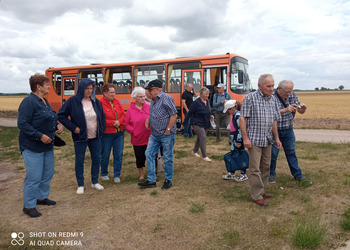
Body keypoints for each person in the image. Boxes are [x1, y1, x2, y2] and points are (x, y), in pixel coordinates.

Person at [18, 73, 64, 217]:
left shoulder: (44, 101)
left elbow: (50, 117)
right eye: (47, 84)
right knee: (34, 177)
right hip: (32, 147)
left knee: (47, 173)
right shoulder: (28, 102)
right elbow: (22, 124)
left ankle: (41, 197)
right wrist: (40, 136)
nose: (49, 86)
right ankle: (29, 206)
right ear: (38, 87)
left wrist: (57, 125)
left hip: (47, 146)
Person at [239, 74, 282, 206]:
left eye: (273, 86)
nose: (271, 88)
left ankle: (262, 189)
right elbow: (242, 119)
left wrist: (276, 138)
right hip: (254, 139)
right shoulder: (250, 98)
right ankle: (256, 195)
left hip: (267, 139)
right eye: (268, 86)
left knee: (266, 166)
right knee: (255, 168)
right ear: (259, 86)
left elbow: (274, 120)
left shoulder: (273, 99)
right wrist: (245, 138)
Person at [58, 78, 106, 194]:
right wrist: (73, 128)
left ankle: (94, 182)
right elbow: (61, 115)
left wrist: (101, 129)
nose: (89, 91)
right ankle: (80, 184)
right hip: (81, 137)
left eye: (91, 89)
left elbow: (102, 116)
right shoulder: (72, 101)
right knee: (80, 160)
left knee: (96, 159)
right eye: (87, 89)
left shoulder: (95, 101)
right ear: (81, 89)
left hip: (96, 136)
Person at [269, 80, 311, 184]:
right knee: (272, 155)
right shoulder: (271, 96)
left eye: (290, 91)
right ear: (279, 89)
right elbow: (269, 113)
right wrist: (285, 110)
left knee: (291, 153)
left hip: (288, 129)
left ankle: (298, 175)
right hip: (274, 130)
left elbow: (299, 110)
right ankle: (270, 175)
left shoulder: (292, 94)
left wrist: (302, 109)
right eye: (287, 91)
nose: (289, 94)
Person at [138, 79, 177, 189]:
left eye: (150, 89)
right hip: (155, 134)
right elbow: (156, 113)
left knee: (167, 158)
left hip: (166, 135)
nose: (148, 92)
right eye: (148, 90)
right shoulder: (154, 100)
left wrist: (168, 129)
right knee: (149, 153)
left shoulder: (166, 98)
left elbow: (173, 115)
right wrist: (149, 119)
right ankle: (151, 180)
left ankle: (168, 180)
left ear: (158, 89)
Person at [125, 86, 152, 181]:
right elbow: (126, 124)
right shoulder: (130, 110)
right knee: (139, 157)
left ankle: (152, 173)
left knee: (151, 156)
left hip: (150, 138)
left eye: (144, 96)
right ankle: (141, 174)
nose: (143, 98)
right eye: (140, 96)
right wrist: (133, 131)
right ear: (135, 98)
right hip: (137, 138)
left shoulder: (149, 107)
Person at [100, 83, 125, 183]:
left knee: (118, 154)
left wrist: (120, 121)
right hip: (107, 134)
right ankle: (104, 173)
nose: (113, 94)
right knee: (105, 154)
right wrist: (112, 123)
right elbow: (100, 119)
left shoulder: (117, 102)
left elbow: (123, 114)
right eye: (111, 92)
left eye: (114, 92)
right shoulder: (100, 103)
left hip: (119, 133)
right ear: (104, 93)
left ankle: (117, 175)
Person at [181, 87, 214, 162]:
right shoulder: (196, 103)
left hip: (205, 122)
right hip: (196, 123)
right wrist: (184, 123)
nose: (207, 96)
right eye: (206, 94)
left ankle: (194, 151)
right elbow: (189, 113)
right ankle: (204, 156)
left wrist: (211, 116)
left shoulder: (207, 101)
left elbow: (208, 111)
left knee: (200, 138)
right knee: (203, 137)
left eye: (208, 94)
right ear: (201, 94)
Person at [221, 100, 248, 181]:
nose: (228, 112)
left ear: (232, 108)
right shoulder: (235, 115)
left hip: (238, 140)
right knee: (233, 155)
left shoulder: (238, 115)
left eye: (228, 110)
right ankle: (232, 173)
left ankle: (243, 174)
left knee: (240, 156)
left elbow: (240, 129)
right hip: (234, 140)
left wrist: (239, 141)